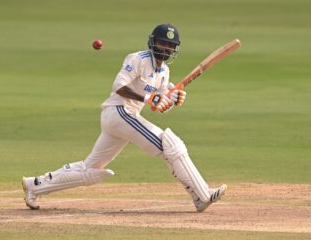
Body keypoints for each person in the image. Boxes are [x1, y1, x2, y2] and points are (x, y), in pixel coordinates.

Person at [22, 23, 227, 212]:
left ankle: (35, 185)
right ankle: (201, 195)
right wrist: (149, 98)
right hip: (119, 112)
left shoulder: (164, 72)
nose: (165, 48)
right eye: (162, 43)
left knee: (91, 169)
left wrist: (171, 98)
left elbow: (159, 105)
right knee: (170, 145)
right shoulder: (138, 59)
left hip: (124, 120)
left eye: (169, 45)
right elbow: (119, 87)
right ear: (153, 42)